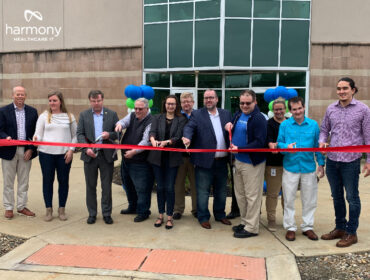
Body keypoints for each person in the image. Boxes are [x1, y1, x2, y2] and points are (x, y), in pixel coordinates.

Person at [319, 77, 370, 247]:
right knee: (336, 196)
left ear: (353, 90)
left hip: (351, 161)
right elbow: (324, 129)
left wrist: (369, 160)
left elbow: (369, 137)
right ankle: (340, 228)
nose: (341, 91)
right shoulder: (331, 109)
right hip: (333, 160)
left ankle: (351, 232)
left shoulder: (363, 110)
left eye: (345, 88)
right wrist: (322, 141)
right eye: (339, 88)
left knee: (352, 197)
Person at [277, 96, 325, 242]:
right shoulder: (284, 125)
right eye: (294, 109)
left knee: (310, 199)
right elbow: (279, 144)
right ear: (290, 111)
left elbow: (318, 147)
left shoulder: (313, 125)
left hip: (308, 167)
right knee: (289, 198)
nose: (297, 111)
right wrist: (286, 147)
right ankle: (290, 228)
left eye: (299, 108)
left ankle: (307, 227)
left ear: (304, 108)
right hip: (290, 167)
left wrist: (321, 164)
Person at [183, 89, 232, 229]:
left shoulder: (226, 113)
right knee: (203, 191)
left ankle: (220, 215)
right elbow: (189, 127)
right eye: (206, 98)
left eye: (211, 97)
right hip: (204, 162)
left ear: (217, 99)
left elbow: (231, 131)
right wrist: (187, 137)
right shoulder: (197, 114)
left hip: (222, 161)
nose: (208, 100)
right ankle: (203, 217)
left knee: (221, 191)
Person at [226, 90, 267, 238]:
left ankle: (252, 227)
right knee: (240, 194)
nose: (244, 105)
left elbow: (259, 142)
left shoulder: (259, 118)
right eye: (242, 102)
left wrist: (240, 149)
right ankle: (245, 222)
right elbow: (235, 130)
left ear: (255, 102)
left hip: (252, 163)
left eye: (248, 103)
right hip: (239, 161)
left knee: (252, 195)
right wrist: (229, 125)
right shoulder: (238, 115)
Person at [33, 91, 77, 222]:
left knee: (63, 181)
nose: (52, 103)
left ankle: (61, 209)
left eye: (54, 100)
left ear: (60, 102)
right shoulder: (44, 116)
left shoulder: (70, 117)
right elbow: (38, 133)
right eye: (50, 101)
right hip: (46, 154)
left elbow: (75, 135)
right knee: (47, 181)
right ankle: (49, 209)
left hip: (64, 155)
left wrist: (71, 150)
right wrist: (36, 138)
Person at [77, 90, 118, 225]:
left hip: (106, 156)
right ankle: (92, 213)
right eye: (93, 101)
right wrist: (86, 148)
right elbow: (80, 134)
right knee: (90, 186)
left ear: (103, 100)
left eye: (98, 101)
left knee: (106, 187)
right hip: (90, 156)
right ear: (90, 101)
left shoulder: (112, 115)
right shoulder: (84, 115)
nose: (96, 103)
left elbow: (118, 134)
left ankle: (107, 213)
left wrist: (109, 135)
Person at [148, 95, 186, 229]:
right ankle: (160, 215)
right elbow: (152, 132)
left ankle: (169, 217)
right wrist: (152, 140)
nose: (170, 106)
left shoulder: (181, 119)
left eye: (173, 104)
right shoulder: (157, 117)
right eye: (168, 104)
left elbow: (179, 137)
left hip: (172, 159)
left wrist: (167, 142)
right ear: (165, 104)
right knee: (160, 187)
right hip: (157, 158)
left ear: (176, 106)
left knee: (170, 188)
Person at [0, 86, 38, 219]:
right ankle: (9, 207)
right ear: (12, 95)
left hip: (26, 151)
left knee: (24, 181)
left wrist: (31, 149)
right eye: (18, 94)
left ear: (25, 96)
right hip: (8, 150)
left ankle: (21, 206)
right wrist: (5, 137)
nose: (20, 96)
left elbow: (35, 134)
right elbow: (0, 130)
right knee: (8, 181)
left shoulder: (33, 112)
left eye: (22, 94)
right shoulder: (3, 111)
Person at [115, 97, 154, 223]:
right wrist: (119, 125)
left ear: (147, 109)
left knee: (142, 188)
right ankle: (132, 207)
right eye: (135, 108)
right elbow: (123, 122)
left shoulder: (151, 121)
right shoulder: (132, 115)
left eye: (140, 109)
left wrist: (134, 151)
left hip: (140, 161)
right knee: (128, 185)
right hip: (127, 159)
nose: (137, 111)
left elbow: (146, 141)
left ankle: (143, 211)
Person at [173, 92, 197, 220]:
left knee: (195, 184)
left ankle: (196, 209)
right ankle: (178, 209)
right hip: (180, 156)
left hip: (195, 157)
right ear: (180, 104)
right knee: (178, 184)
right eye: (183, 102)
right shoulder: (177, 117)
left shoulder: (198, 116)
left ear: (193, 102)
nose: (186, 104)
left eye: (188, 101)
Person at [265, 98, 286, 231]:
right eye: (276, 109)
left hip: (290, 164)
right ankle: (271, 220)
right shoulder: (268, 124)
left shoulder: (290, 123)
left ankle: (287, 219)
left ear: (285, 109)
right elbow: (268, 140)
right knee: (272, 194)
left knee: (288, 195)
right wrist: (271, 144)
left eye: (281, 109)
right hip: (273, 164)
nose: (278, 111)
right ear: (273, 110)